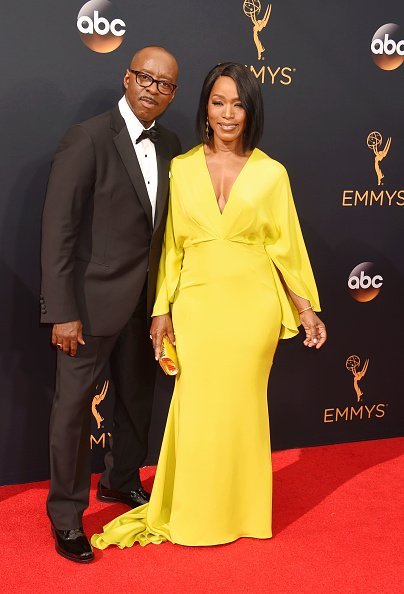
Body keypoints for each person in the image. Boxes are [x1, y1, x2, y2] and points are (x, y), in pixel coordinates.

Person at [91, 62, 327, 551]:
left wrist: (305, 308)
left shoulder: (271, 174)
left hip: (253, 307)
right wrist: (161, 310)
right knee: (197, 408)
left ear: (250, 111)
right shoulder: (181, 168)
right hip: (196, 305)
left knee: (242, 409)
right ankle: (195, 512)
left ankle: (241, 511)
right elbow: (172, 248)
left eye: (237, 103)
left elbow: (287, 247)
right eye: (218, 102)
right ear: (205, 107)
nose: (227, 113)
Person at [40, 46, 181, 562]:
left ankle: (122, 482)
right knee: (73, 413)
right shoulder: (89, 138)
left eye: (164, 84)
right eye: (145, 77)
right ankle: (66, 516)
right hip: (88, 307)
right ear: (126, 78)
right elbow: (59, 230)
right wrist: (61, 310)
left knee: (136, 402)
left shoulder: (171, 145)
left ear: (172, 94)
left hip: (145, 307)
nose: (153, 88)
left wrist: (166, 304)